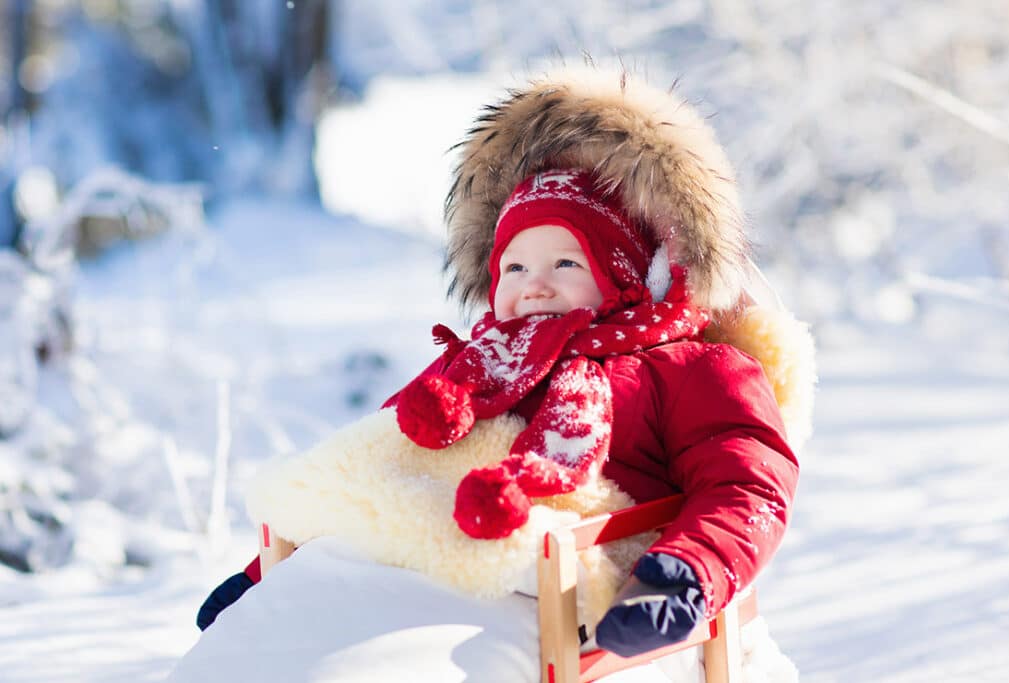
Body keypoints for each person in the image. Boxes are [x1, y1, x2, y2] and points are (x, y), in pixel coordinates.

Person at [195, 67, 802, 664]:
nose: (533, 286)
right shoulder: (477, 369)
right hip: (406, 557)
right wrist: (266, 577)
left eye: (567, 263)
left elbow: (747, 484)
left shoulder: (689, 369)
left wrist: (681, 575)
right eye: (514, 267)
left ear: (631, 273)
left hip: (543, 584)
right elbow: (379, 462)